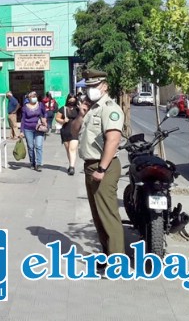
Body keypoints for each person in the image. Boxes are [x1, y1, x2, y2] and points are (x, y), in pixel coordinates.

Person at [78, 70, 125, 264]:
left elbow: (113, 140)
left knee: (107, 214)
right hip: (91, 165)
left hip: (103, 166)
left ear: (104, 86)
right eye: (88, 87)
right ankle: (107, 255)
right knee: (98, 215)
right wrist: (82, 114)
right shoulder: (93, 109)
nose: (90, 90)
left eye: (94, 86)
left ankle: (117, 262)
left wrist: (102, 169)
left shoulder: (109, 108)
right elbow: (76, 131)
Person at [55, 94, 90, 175]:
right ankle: (71, 163)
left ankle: (72, 167)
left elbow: (85, 116)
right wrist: (63, 121)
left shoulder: (78, 109)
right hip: (65, 130)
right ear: (68, 100)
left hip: (75, 131)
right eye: (70, 99)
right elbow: (57, 118)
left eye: (73, 100)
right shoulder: (63, 109)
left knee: (72, 149)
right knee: (68, 150)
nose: (72, 101)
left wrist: (81, 108)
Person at [20, 91, 46, 171]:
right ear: (28, 98)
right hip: (28, 129)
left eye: (35, 95)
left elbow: (45, 113)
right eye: (32, 96)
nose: (34, 97)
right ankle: (32, 162)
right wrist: (21, 131)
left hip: (39, 128)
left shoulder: (40, 105)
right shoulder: (24, 107)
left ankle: (39, 164)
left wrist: (44, 120)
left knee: (38, 146)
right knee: (30, 147)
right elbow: (23, 119)